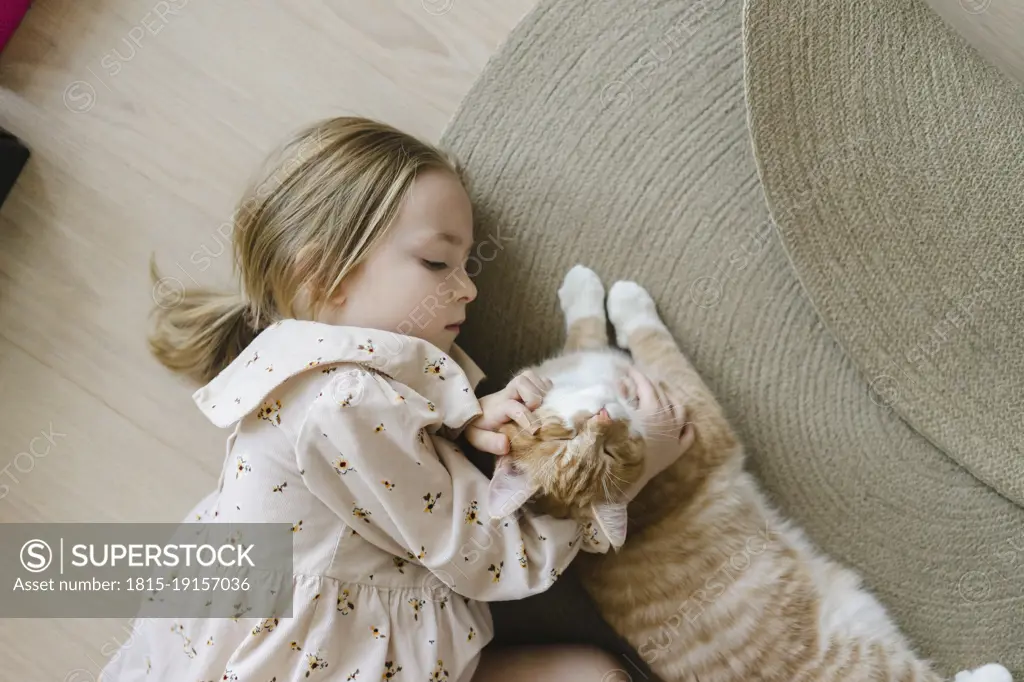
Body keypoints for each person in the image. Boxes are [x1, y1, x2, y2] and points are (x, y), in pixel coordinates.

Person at [101, 116, 689, 682]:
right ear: (326, 277)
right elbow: (484, 554)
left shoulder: (321, 381)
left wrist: (462, 423)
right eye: (438, 262)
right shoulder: (343, 401)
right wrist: (623, 479)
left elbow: (390, 487)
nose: (470, 286)